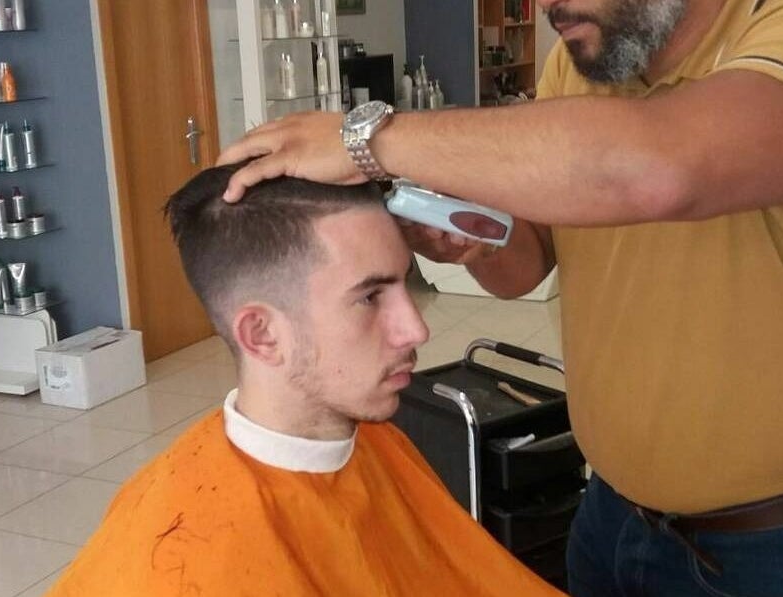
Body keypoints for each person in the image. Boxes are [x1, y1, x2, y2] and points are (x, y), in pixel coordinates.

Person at [215, 0, 783, 593]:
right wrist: (477, 239)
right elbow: (526, 263)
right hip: (611, 513)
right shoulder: (584, 64)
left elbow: (659, 167)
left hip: (781, 545)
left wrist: (370, 139)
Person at [45, 163, 565, 596]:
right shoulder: (185, 563)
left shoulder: (379, 444)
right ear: (263, 334)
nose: (417, 328)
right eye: (369, 297)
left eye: (403, 283)